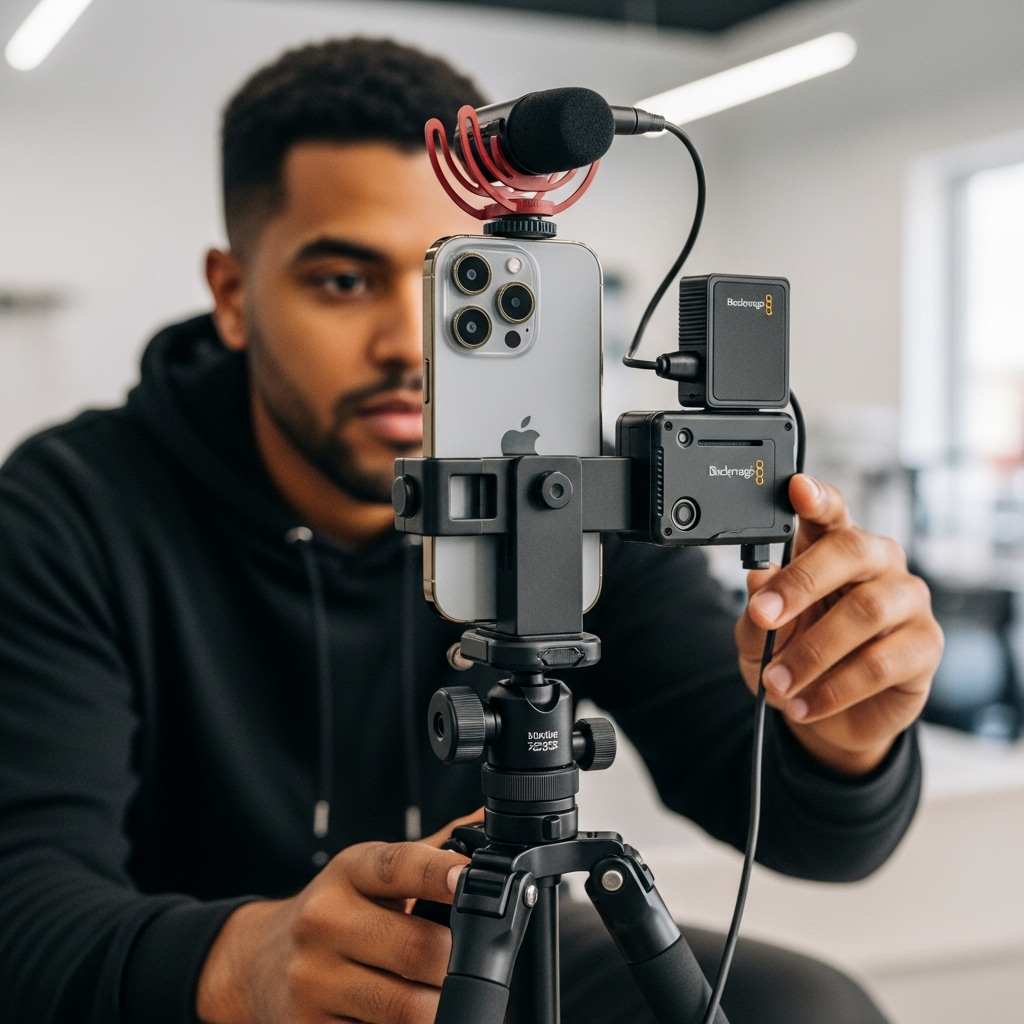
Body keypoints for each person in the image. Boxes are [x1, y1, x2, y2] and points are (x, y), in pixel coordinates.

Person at [0, 38, 943, 1024]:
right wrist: (245, 961)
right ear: (234, 296)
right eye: (341, 280)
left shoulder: (561, 491)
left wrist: (841, 735)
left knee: (808, 1010)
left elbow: (802, 828)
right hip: (195, 970)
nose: (411, 343)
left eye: (461, 288)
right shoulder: (68, 509)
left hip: (484, 937)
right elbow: (21, 903)